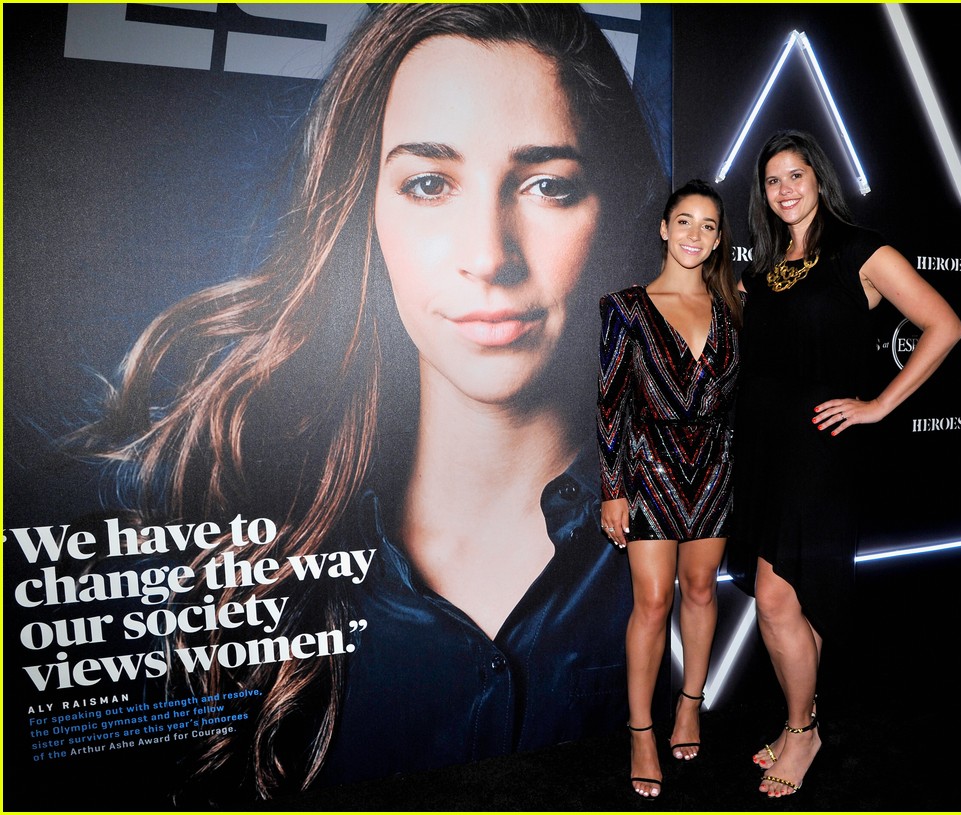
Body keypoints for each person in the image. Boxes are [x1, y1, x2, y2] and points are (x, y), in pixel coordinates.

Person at [75, 4, 666, 803]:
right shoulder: (243, 569)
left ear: (618, 210)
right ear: (368, 212)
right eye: (429, 183)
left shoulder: (705, 544)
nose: (490, 256)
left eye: (548, 186)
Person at [730, 130, 961, 797]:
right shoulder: (763, 269)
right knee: (783, 598)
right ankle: (798, 718)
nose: (784, 189)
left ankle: (803, 730)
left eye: (795, 174)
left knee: (777, 598)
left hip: (821, 452)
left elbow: (944, 324)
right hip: (767, 451)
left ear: (818, 177)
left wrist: (879, 404)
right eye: (772, 180)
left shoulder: (862, 249)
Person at [598, 179, 742, 798]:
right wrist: (613, 488)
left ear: (717, 239)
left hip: (716, 466)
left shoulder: (735, 302)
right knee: (653, 603)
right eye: (685, 222)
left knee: (702, 589)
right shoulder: (626, 306)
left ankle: (691, 702)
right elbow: (610, 405)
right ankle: (640, 731)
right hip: (649, 468)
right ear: (663, 228)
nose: (695, 236)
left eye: (709, 226)